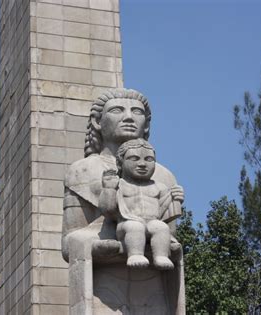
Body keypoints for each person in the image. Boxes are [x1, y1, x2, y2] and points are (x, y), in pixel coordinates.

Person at [62, 88, 184, 262]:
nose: (129, 117)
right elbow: (69, 243)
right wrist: (97, 244)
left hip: (152, 277)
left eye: (137, 112)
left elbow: (171, 240)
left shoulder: (164, 176)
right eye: (117, 110)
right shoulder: (82, 171)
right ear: (97, 121)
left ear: (147, 123)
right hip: (105, 278)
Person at [100, 139, 182, 270]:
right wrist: (109, 189)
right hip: (126, 224)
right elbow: (108, 210)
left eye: (149, 159)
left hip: (152, 222)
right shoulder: (120, 184)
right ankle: (135, 254)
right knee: (135, 227)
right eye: (134, 159)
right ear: (121, 162)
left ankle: (161, 256)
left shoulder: (159, 187)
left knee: (161, 227)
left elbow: (167, 210)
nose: (142, 164)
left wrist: (176, 198)